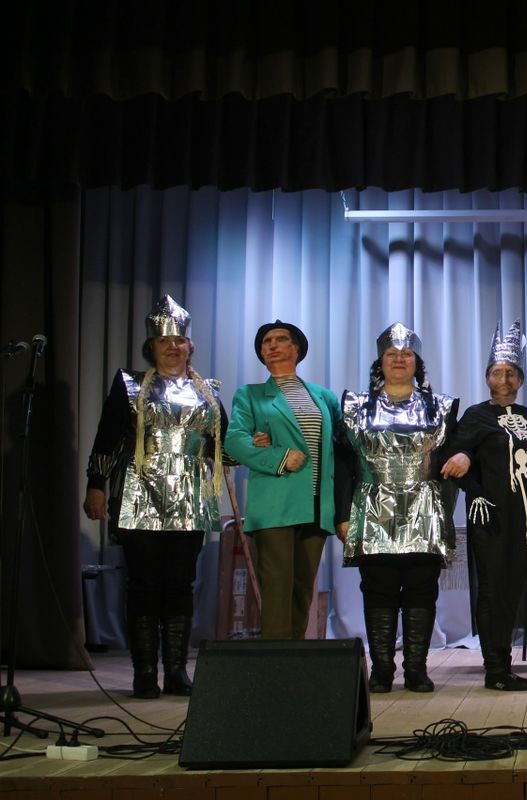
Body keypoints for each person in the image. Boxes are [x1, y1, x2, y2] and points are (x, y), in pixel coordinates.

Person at [83, 294, 227, 698]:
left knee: (180, 584)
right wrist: (96, 483)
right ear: (152, 346)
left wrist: (250, 446)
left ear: (189, 345)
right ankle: (145, 672)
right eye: (164, 341)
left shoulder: (207, 391)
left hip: (190, 498)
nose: (172, 346)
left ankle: (177, 671)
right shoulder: (129, 386)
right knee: (144, 583)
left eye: (179, 340)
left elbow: (221, 443)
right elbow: (108, 437)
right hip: (140, 495)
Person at [335, 323, 458, 693]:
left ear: (417, 362)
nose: (399, 360)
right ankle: (383, 669)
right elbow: (343, 463)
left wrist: (445, 517)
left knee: (422, 589)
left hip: (425, 511)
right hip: (373, 511)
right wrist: (342, 515)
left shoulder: (441, 407)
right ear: (381, 361)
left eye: (406, 355)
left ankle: (417, 668)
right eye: (392, 354)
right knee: (378, 589)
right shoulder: (355, 406)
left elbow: (449, 465)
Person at [442, 320, 527, 691]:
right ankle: (494, 669)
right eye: (497, 372)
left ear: (520, 379)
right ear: (487, 378)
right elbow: (453, 460)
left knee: (515, 586)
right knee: (493, 588)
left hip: (523, 518)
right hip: (491, 515)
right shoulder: (476, 415)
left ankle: (506, 665)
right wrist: (476, 491)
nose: (504, 379)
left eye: (511, 373)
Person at [225, 320, 341, 640]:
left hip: (317, 504)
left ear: (296, 348)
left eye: (281, 339)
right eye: (267, 342)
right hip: (276, 502)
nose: (273, 345)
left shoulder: (323, 396)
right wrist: (278, 456)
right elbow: (234, 441)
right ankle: (275, 659)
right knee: (277, 585)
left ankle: (296, 656)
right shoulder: (250, 395)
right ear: (261, 353)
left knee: (303, 587)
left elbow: (340, 444)